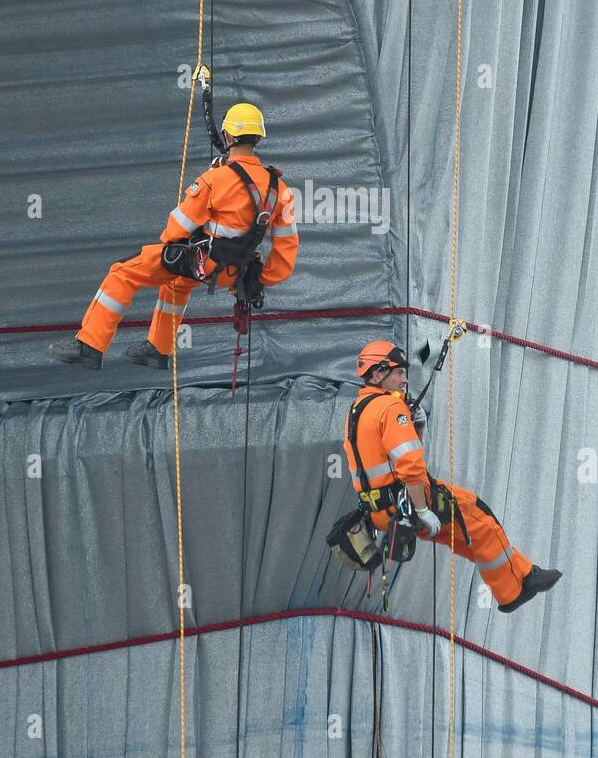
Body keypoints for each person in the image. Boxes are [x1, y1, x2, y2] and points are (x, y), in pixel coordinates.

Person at [50, 103, 298, 369]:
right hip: (236, 274)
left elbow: (177, 227)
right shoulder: (280, 189)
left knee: (122, 271)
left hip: (203, 262)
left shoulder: (216, 179)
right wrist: (258, 279)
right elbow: (286, 250)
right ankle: (157, 350)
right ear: (258, 138)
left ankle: (90, 345)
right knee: (177, 282)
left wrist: (175, 243)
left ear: (227, 137)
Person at [343, 341, 562, 612]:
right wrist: (423, 510)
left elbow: (389, 456)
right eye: (399, 373)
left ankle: (525, 573)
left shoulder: (358, 409)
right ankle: (513, 591)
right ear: (378, 374)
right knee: (481, 521)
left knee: (467, 533)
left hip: (381, 511)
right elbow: (410, 466)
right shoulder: (390, 408)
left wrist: (418, 425)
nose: (405, 379)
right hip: (409, 501)